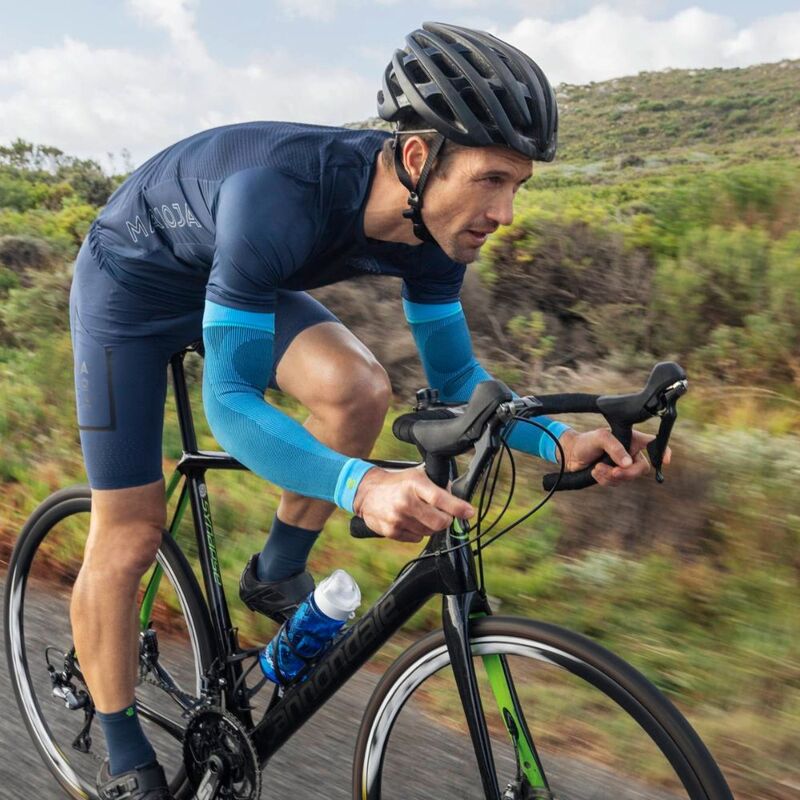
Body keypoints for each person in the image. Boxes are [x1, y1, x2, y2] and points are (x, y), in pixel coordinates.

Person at [68, 22, 668, 800]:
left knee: (359, 388)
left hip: (234, 279)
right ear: (418, 158)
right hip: (131, 291)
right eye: (491, 179)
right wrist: (363, 485)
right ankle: (124, 756)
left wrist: (559, 440)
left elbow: (457, 381)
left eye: (518, 185)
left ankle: (275, 572)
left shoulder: (436, 233)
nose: (506, 212)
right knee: (131, 532)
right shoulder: (280, 194)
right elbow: (232, 402)